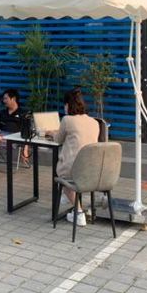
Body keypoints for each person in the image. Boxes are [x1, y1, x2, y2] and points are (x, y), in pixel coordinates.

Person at [54, 88, 100, 227]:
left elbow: (58, 139)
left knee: (63, 176)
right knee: (69, 175)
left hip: (73, 170)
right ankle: (67, 196)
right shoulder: (94, 122)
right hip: (92, 170)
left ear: (68, 105)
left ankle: (79, 213)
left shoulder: (67, 120)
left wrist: (51, 132)